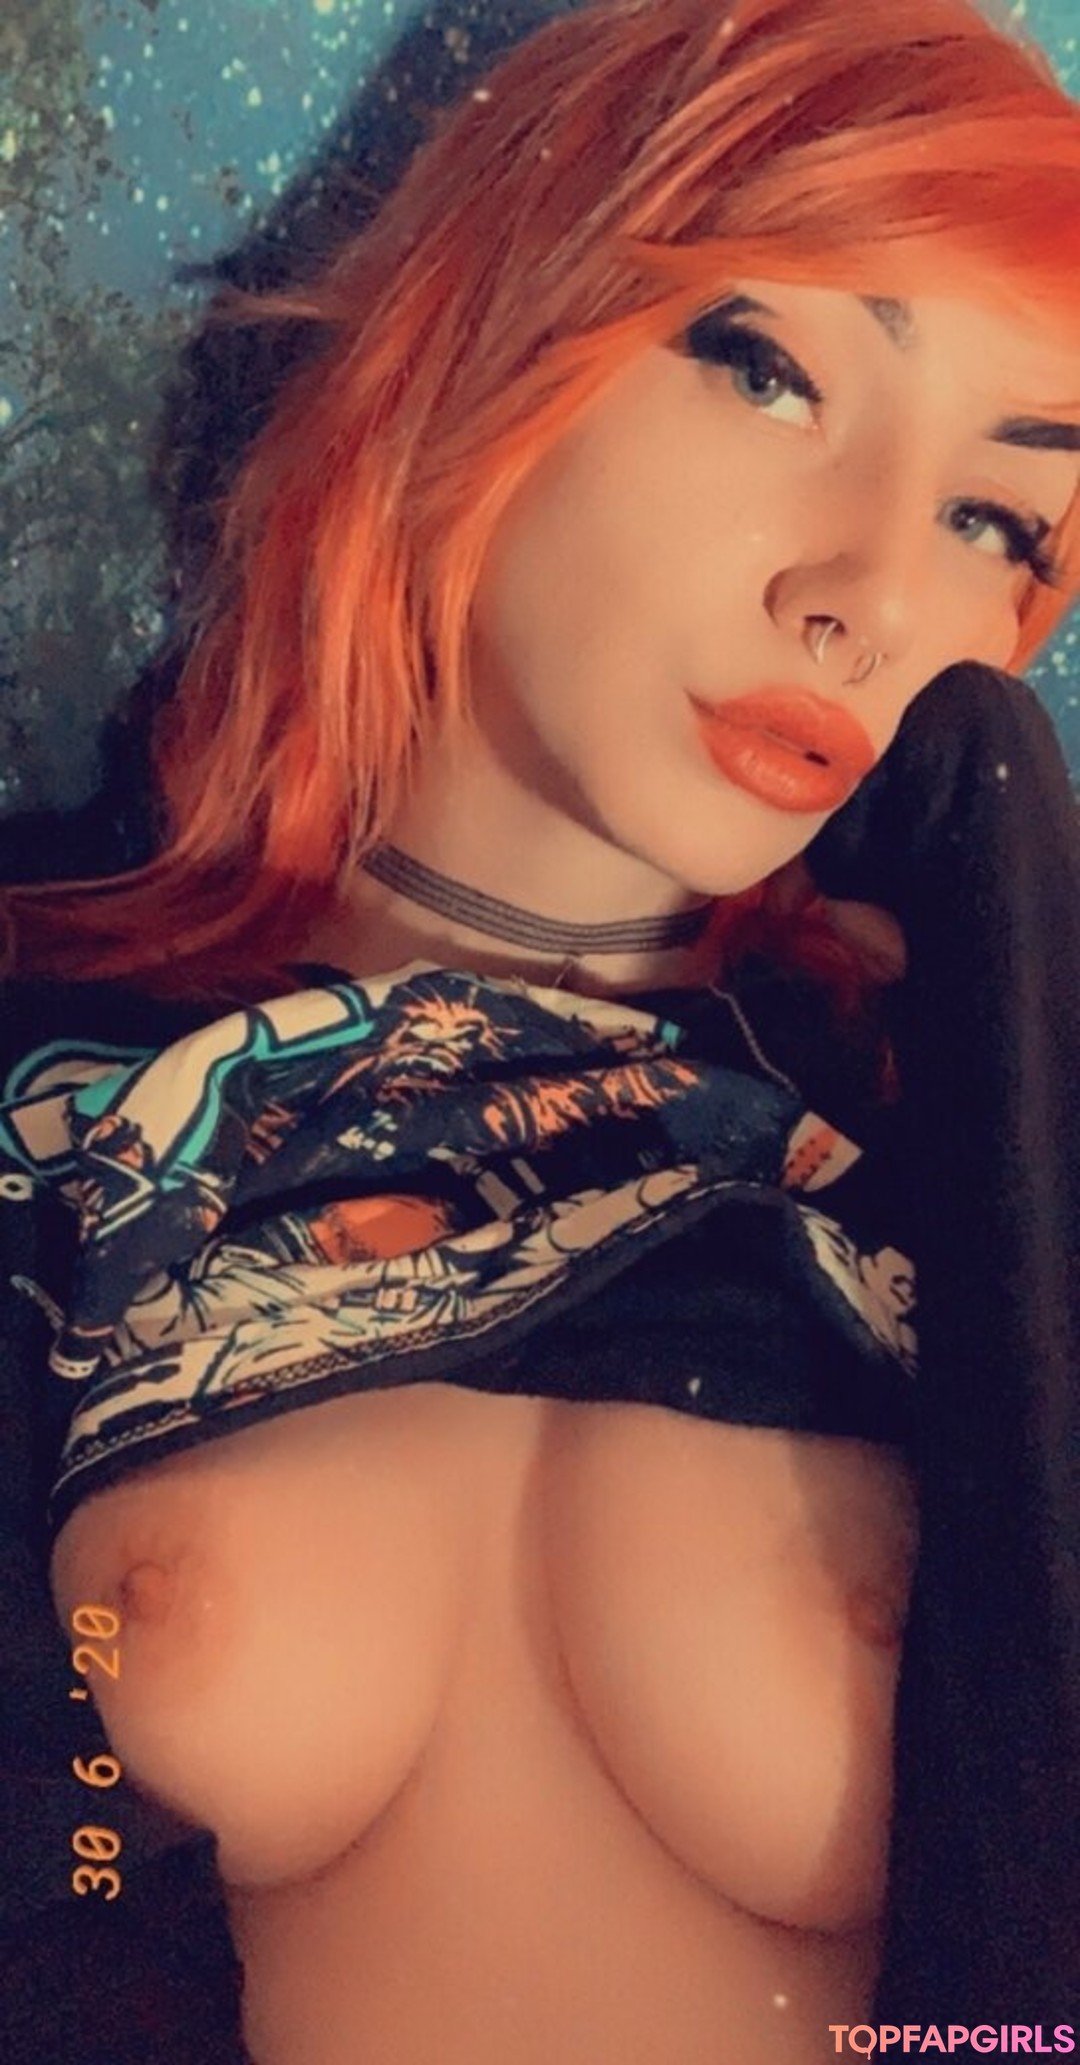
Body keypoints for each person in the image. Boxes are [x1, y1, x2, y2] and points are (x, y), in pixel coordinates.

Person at [1, 0, 1079, 2058]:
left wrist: (1007, 879)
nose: (868, 593)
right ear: (503, 325)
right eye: (769, 370)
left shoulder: (929, 1148)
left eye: (996, 523)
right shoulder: (58, 1054)